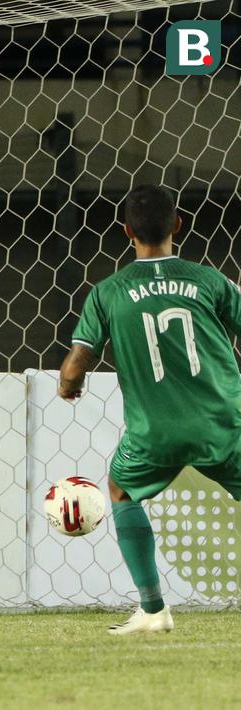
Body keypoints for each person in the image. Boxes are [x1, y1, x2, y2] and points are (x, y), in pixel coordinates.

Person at [59, 184, 241, 635]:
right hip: (223, 424)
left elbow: (76, 363)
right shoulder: (210, 281)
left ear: (126, 231)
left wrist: (68, 385)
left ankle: (154, 610)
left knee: (121, 490)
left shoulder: (108, 292)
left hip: (154, 434)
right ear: (178, 224)